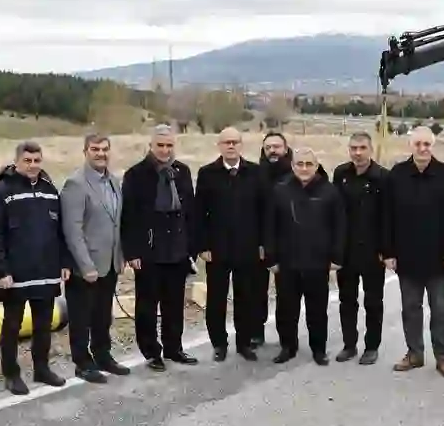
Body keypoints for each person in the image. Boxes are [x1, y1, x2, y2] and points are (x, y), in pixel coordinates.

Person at [0, 140, 72, 395]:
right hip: (15, 274)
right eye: (27, 161)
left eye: (37, 161)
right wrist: (0, 271)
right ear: (17, 161)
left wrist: (64, 262)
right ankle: (11, 374)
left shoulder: (49, 190)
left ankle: (42, 368)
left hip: (46, 270)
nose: (33, 166)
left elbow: (60, 231)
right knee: (12, 325)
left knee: (43, 324)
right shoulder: (1, 192)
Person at [383, 126, 444, 379]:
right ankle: (414, 354)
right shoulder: (397, 174)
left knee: (440, 311)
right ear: (410, 145)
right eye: (418, 144)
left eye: (427, 144)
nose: (422, 148)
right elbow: (387, 216)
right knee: (410, 309)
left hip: (439, 259)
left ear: (432, 145)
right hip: (407, 257)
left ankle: (443, 358)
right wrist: (389, 252)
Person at [121, 124, 199, 371]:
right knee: (147, 305)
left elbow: (190, 213)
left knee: (174, 304)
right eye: (160, 146)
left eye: (169, 146)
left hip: (177, 249)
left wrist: (191, 248)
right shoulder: (136, 174)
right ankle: (151, 352)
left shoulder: (182, 172)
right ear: (151, 146)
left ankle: (174, 348)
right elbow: (129, 216)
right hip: (149, 251)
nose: (165, 150)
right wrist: (132, 252)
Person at [264, 147, 346, 365]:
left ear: (316, 166)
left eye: (309, 164)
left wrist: (337, 257)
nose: (304, 168)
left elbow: (339, 226)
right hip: (287, 261)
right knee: (286, 309)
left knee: (317, 310)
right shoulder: (280, 190)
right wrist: (270, 258)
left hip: (318, 261)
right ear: (292, 166)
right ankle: (288, 347)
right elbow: (270, 226)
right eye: (299, 164)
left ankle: (319, 350)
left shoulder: (330, 191)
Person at [60, 134, 132, 383]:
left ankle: (103, 355)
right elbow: (72, 230)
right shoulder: (75, 184)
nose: (101, 153)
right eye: (95, 149)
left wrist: (120, 255)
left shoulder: (113, 180)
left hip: (109, 262)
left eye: (104, 149)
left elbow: (116, 223)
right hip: (86, 267)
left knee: (103, 314)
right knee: (82, 317)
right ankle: (82, 362)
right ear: (85, 151)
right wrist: (85, 265)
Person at [195, 127, 264, 361]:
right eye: (226, 142)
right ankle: (219, 344)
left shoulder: (255, 172)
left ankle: (244, 343)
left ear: (241, 145)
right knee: (216, 298)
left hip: (248, 248)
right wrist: (202, 246)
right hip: (217, 249)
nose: (231, 146)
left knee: (246, 297)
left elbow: (264, 212)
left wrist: (263, 244)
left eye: (235, 142)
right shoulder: (207, 174)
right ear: (219, 146)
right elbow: (198, 214)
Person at [332, 132, 388, 365]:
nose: (357, 152)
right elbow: (333, 212)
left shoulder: (383, 177)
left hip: (373, 251)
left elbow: (388, 217)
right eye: (353, 148)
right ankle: (349, 344)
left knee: (373, 301)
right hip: (345, 250)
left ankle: (372, 346)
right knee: (347, 300)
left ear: (370, 150)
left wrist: (387, 250)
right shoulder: (340, 174)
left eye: (362, 148)